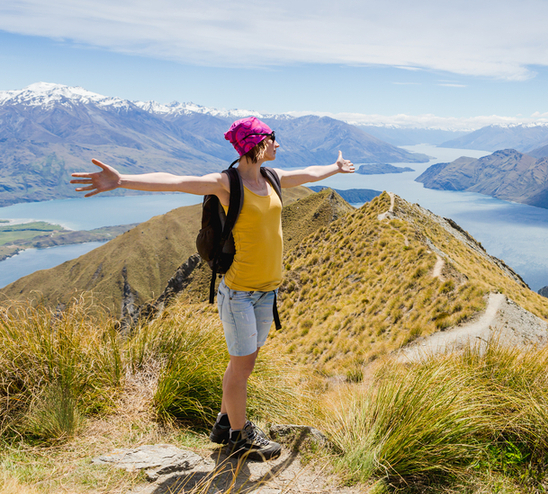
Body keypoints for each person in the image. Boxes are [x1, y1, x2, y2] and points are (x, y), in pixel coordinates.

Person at [70, 116, 355, 461]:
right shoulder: (226, 184)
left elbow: (310, 173)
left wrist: (335, 168)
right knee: (243, 369)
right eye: (273, 138)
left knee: (240, 365)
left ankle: (224, 422)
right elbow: (175, 182)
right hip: (240, 294)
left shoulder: (272, 178)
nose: (278, 145)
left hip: (267, 292)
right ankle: (239, 435)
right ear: (257, 143)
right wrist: (121, 180)